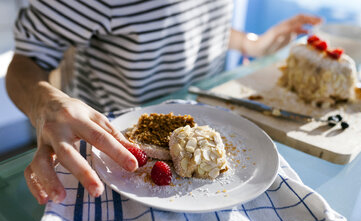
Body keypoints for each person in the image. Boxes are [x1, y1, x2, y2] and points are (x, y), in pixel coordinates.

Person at [6, 0, 321, 204]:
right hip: (110, 155)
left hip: (204, 122)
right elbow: (26, 61)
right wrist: (46, 104)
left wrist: (252, 42)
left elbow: (195, 18)